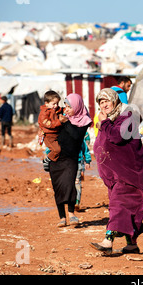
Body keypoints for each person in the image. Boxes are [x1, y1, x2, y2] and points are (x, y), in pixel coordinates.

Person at [90, 88, 143, 255]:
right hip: (117, 173)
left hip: (130, 173)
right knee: (127, 209)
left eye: (107, 100)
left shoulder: (129, 115)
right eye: (101, 102)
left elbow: (117, 136)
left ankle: (108, 241)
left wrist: (104, 122)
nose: (104, 104)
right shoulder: (112, 118)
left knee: (119, 205)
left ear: (115, 100)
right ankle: (132, 245)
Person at [49, 93, 92, 227]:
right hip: (56, 158)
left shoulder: (84, 121)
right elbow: (52, 134)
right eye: (65, 106)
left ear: (77, 106)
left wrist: (65, 122)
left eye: (69, 107)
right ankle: (62, 217)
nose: (66, 109)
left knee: (69, 184)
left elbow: (76, 136)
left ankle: (72, 213)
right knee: (58, 187)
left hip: (71, 158)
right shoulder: (63, 118)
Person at [38, 90, 63, 170]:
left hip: (55, 134)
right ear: (46, 103)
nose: (56, 106)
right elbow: (48, 124)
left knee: (60, 149)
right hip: (48, 135)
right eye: (54, 104)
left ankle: (53, 163)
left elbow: (61, 109)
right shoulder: (44, 113)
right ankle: (47, 160)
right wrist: (59, 122)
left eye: (57, 103)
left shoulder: (55, 109)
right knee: (56, 150)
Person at [75, 131, 92, 211]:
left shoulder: (82, 134)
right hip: (68, 163)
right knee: (72, 182)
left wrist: (87, 161)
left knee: (77, 181)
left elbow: (86, 149)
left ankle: (76, 202)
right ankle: (73, 201)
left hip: (78, 162)